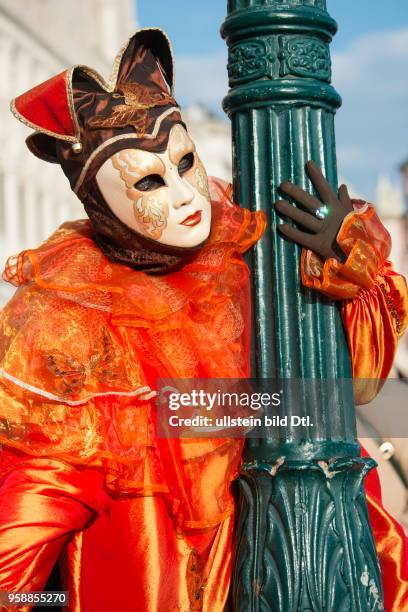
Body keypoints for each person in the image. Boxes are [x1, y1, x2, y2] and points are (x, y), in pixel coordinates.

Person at [0, 27, 407, 612]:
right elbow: (20, 551)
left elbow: (358, 382)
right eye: (147, 180)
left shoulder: (247, 254)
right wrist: (61, 601)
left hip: (321, 559)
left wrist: (351, 267)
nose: (185, 194)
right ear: (98, 203)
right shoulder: (77, 330)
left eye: (184, 160)